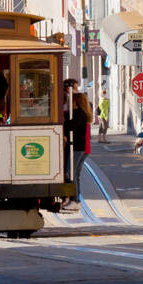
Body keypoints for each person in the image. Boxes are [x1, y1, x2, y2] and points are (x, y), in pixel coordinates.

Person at [63, 80, 92, 209]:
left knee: (71, 173)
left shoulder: (79, 113)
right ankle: (76, 199)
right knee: (75, 174)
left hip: (78, 147)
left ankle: (74, 200)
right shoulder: (81, 113)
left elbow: (71, 125)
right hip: (81, 147)